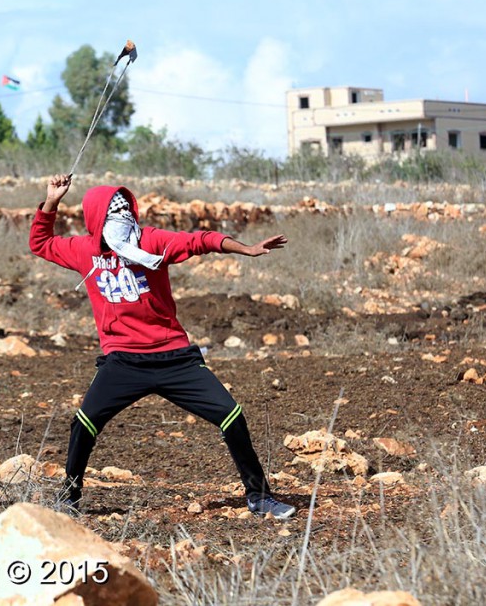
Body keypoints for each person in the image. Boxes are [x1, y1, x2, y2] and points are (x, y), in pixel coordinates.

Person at [30, 174, 295, 519]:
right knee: (84, 423)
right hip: (123, 362)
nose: (121, 217)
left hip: (174, 358)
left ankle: (259, 497)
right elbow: (40, 243)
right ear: (96, 218)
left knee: (231, 416)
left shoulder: (151, 241)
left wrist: (246, 249)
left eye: (125, 210)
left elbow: (201, 239)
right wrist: (51, 201)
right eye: (112, 211)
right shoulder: (84, 251)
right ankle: (69, 499)